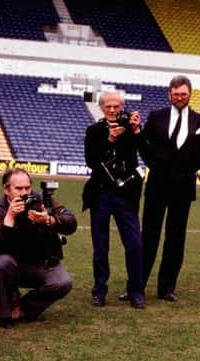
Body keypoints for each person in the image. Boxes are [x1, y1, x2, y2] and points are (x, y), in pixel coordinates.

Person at [137, 75, 200, 302]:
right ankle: (137, 286)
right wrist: (156, 166)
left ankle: (166, 288)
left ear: (190, 94)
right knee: (148, 236)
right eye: (176, 94)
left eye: (184, 94)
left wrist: (186, 171)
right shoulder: (156, 117)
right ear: (169, 94)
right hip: (157, 185)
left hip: (183, 188)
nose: (180, 98)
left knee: (175, 238)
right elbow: (143, 145)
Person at [0, 168, 77, 328]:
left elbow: (71, 222)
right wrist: (10, 218)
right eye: (18, 188)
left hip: (38, 263)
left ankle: (23, 308)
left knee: (63, 282)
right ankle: (5, 313)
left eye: (27, 188)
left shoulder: (41, 201)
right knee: (0, 263)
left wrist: (49, 220)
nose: (24, 193)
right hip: (11, 265)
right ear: (6, 189)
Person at [82, 90, 145, 309]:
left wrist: (136, 131)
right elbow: (91, 161)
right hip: (100, 194)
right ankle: (99, 291)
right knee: (101, 246)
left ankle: (136, 291)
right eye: (108, 106)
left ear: (122, 107)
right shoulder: (94, 131)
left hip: (125, 195)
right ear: (101, 108)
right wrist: (109, 140)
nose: (112, 110)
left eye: (117, 106)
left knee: (135, 244)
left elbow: (144, 153)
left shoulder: (131, 128)